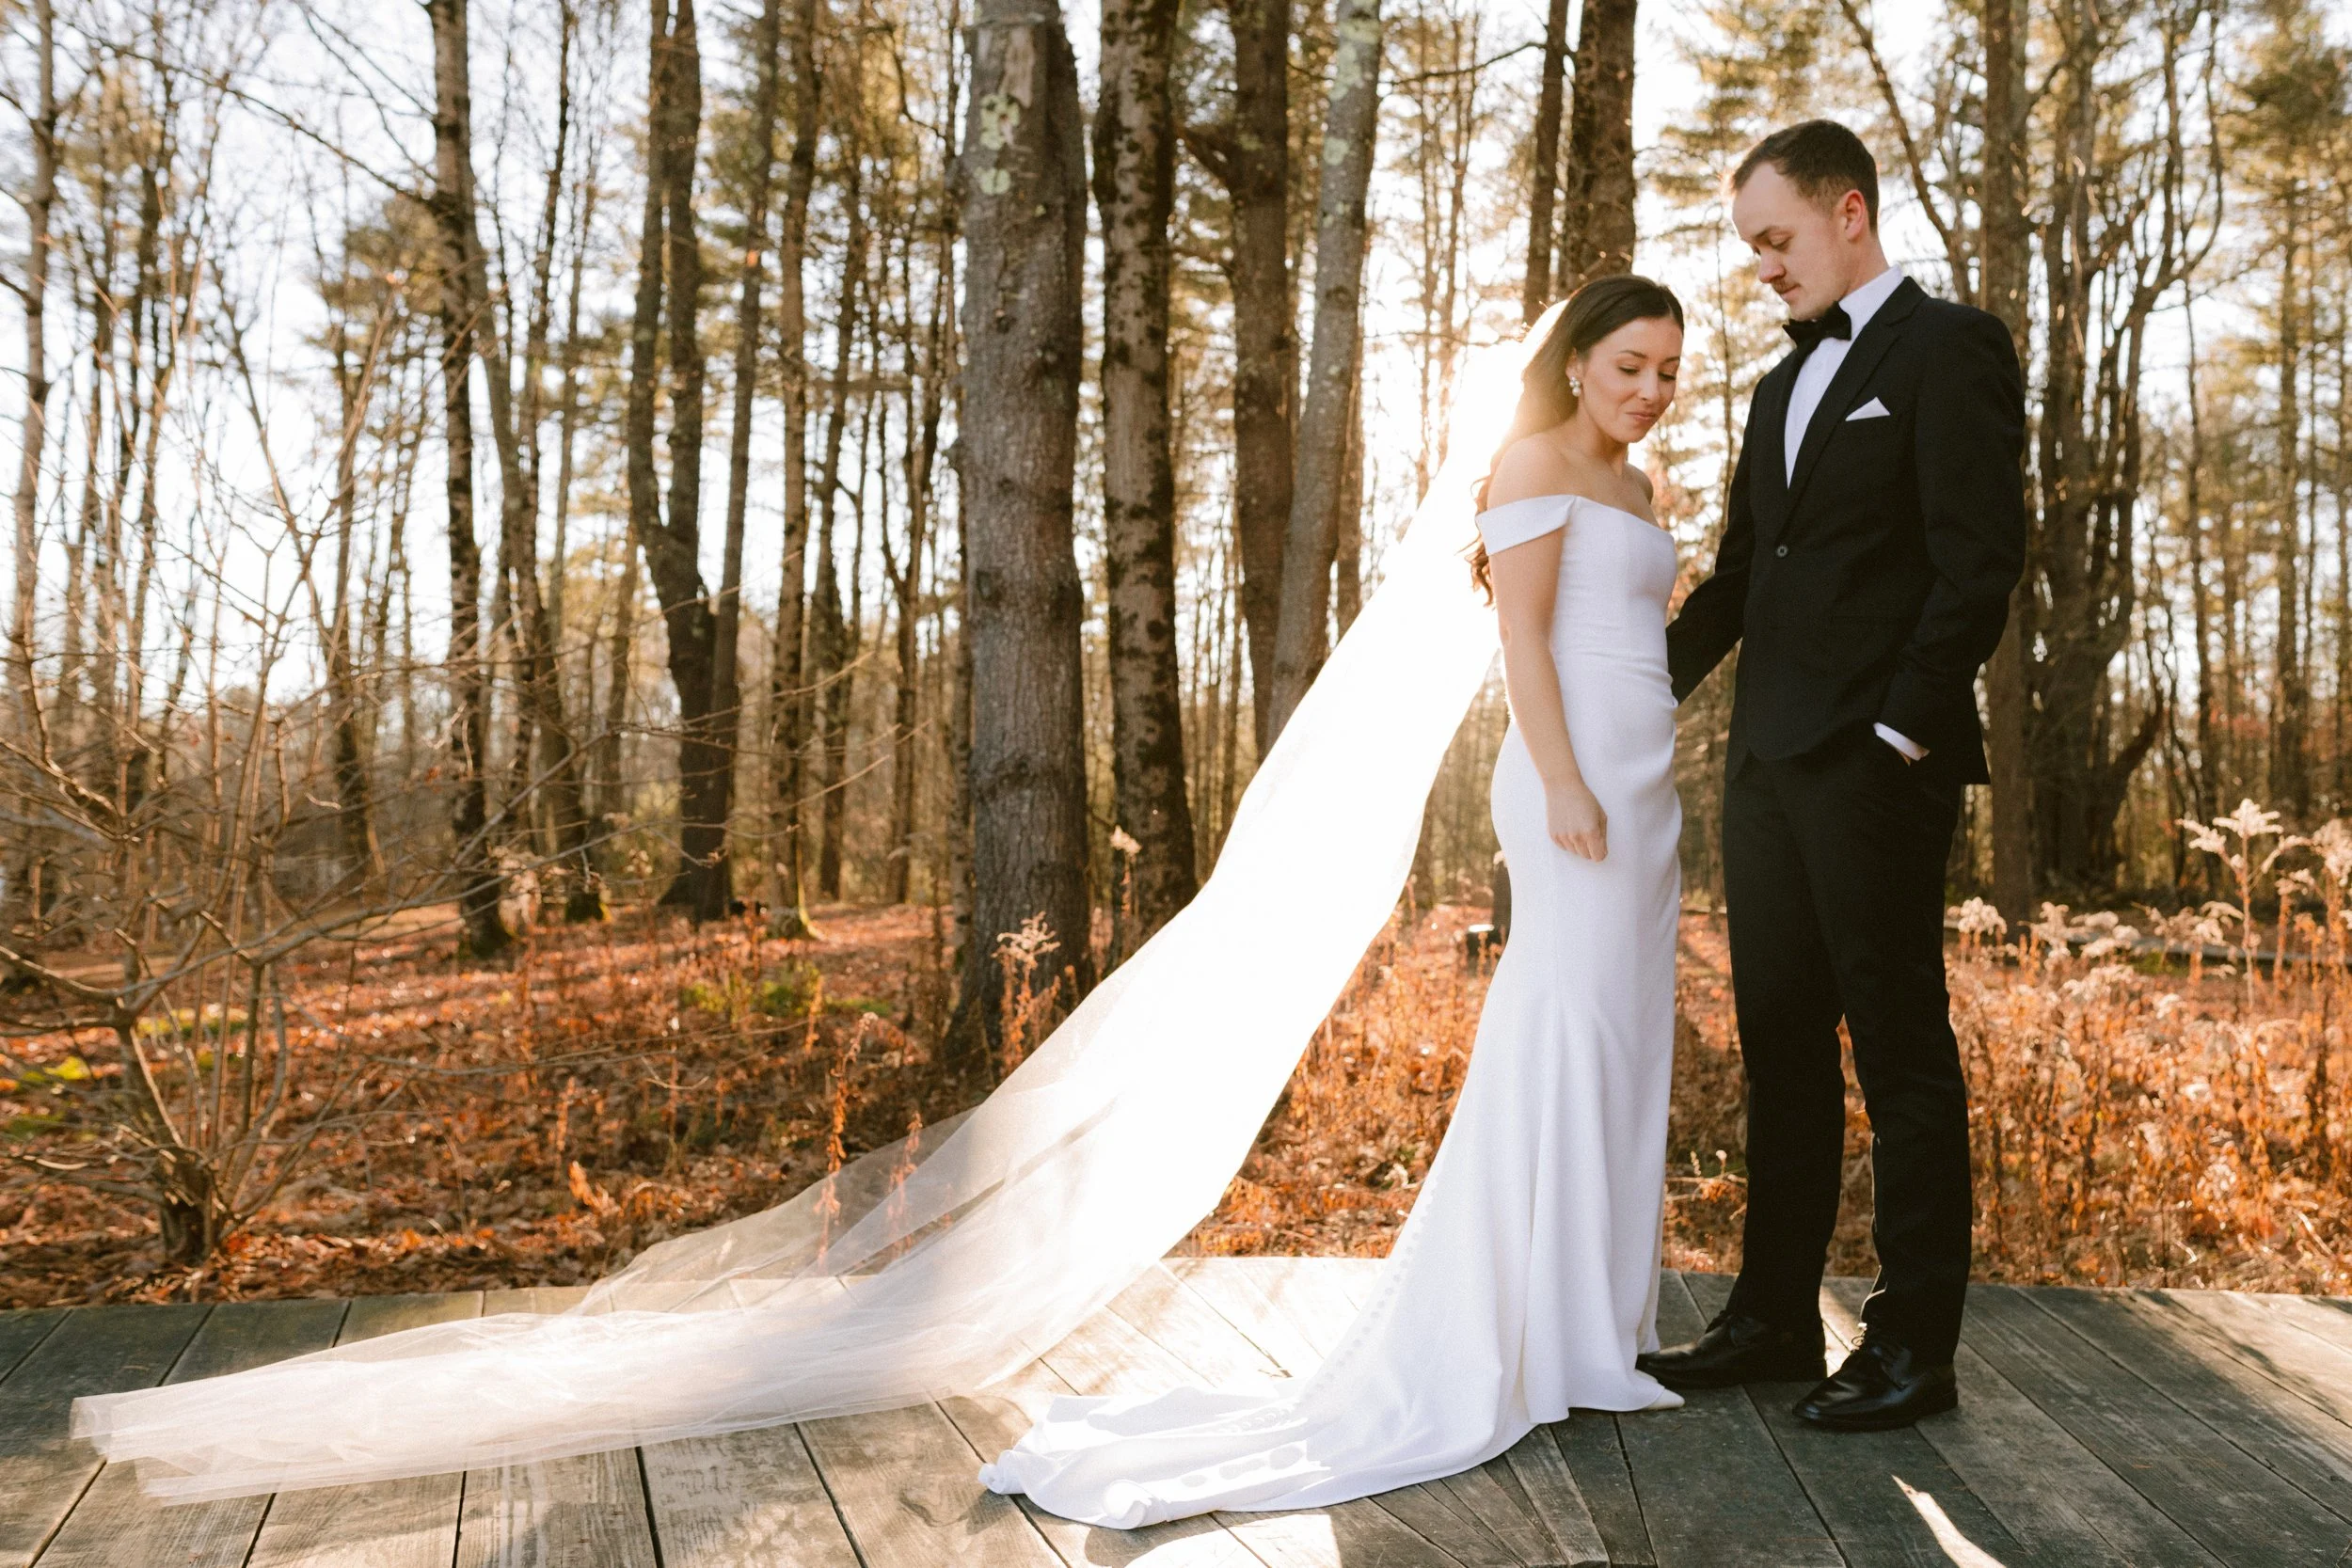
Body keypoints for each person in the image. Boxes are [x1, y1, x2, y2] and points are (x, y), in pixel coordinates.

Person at [977, 272, 1692, 1524]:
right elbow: (1525, 642)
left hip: (1650, 786)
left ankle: (1597, 1326)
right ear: (1577, 361)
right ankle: (1535, 1333)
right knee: (1564, 1032)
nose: (1648, 391)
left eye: (1668, 371)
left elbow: (1642, 632)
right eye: (1629, 364)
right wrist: (1567, 782)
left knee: (1629, 1045)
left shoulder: (1641, 489)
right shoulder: (1530, 465)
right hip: (1570, 780)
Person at [1646, 119, 2026, 1431]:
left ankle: (1917, 1343)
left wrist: (1899, 736)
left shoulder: (1950, 350)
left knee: (1903, 1054)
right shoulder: (1773, 392)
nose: (1762, 267)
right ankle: (1770, 1317)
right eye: (1751, 247)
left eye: (1776, 239)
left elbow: (1978, 561)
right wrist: (1629, 684)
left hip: (1876, 770)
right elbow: (1746, 577)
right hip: (1763, 774)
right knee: (1782, 1050)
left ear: (1848, 212)